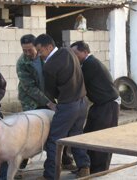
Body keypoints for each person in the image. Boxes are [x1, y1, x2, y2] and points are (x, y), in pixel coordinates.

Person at [34, 34, 90, 180]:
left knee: (54, 140)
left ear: (49, 47)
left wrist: (53, 101)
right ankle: (84, 167)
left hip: (68, 105)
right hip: (83, 102)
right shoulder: (69, 51)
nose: (39, 55)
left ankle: (50, 175)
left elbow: (51, 91)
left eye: (40, 51)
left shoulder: (50, 66)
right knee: (76, 136)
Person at [71, 41, 120, 174]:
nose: (74, 57)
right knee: (89, 135)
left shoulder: (90, 64)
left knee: (102, 139)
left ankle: (99, 171)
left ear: (85, 52)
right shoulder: (86, 64)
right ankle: (88, 167)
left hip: (108, 105)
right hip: (99, 105)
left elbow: (77, 81)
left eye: (76, 54)